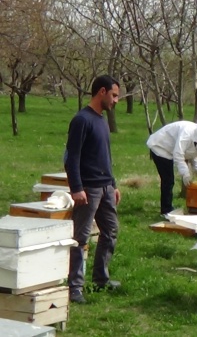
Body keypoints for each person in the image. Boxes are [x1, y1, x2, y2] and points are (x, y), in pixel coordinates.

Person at [64, 75, 122, 304]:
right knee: (81, 237)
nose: (116, 100)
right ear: (102, 92)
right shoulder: (82, 120)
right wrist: (76, 188)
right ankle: (75, 287)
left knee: (110, 232)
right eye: (114, 95)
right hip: (88, 189)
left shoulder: (102, 120)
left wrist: (113, 184)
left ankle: (101, 279)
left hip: (106, 187)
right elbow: (71, 157)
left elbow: (104, 156)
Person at [147, 120, 197, 215]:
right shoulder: (187, 133)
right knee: (168, 180)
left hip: (170, 149)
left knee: (168, 180)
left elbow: (193, 155)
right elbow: (178, 155)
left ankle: (167, 207)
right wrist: (185, 174)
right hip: (160, 147)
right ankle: (166, 210)